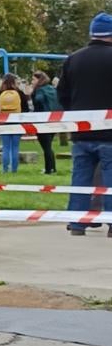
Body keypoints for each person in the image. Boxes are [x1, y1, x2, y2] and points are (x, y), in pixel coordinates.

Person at [59, 12, 112, 236]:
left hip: (81, 129)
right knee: (110, 180)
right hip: (110, 132)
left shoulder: (74, 58)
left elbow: (61, 93)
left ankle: (77, 223)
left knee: (80, 178)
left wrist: (74, 112)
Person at [29, 71, 59, 174]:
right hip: (54, 120)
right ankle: (52, 167)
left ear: (39, 80)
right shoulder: (51, 89)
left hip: (42, 121)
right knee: (48, 146)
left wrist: (31, 94)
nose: (32, 82)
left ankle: (48, 169)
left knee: (46, 146)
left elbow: (39, 100)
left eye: (33, 79)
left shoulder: (39, 90)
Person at [0, 74, 26, 173]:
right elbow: (26, 108)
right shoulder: (20, 93)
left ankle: (4, 169)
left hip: (4, 122)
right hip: (17, 122)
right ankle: (14, 169)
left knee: (6, 147)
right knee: (15, 147)